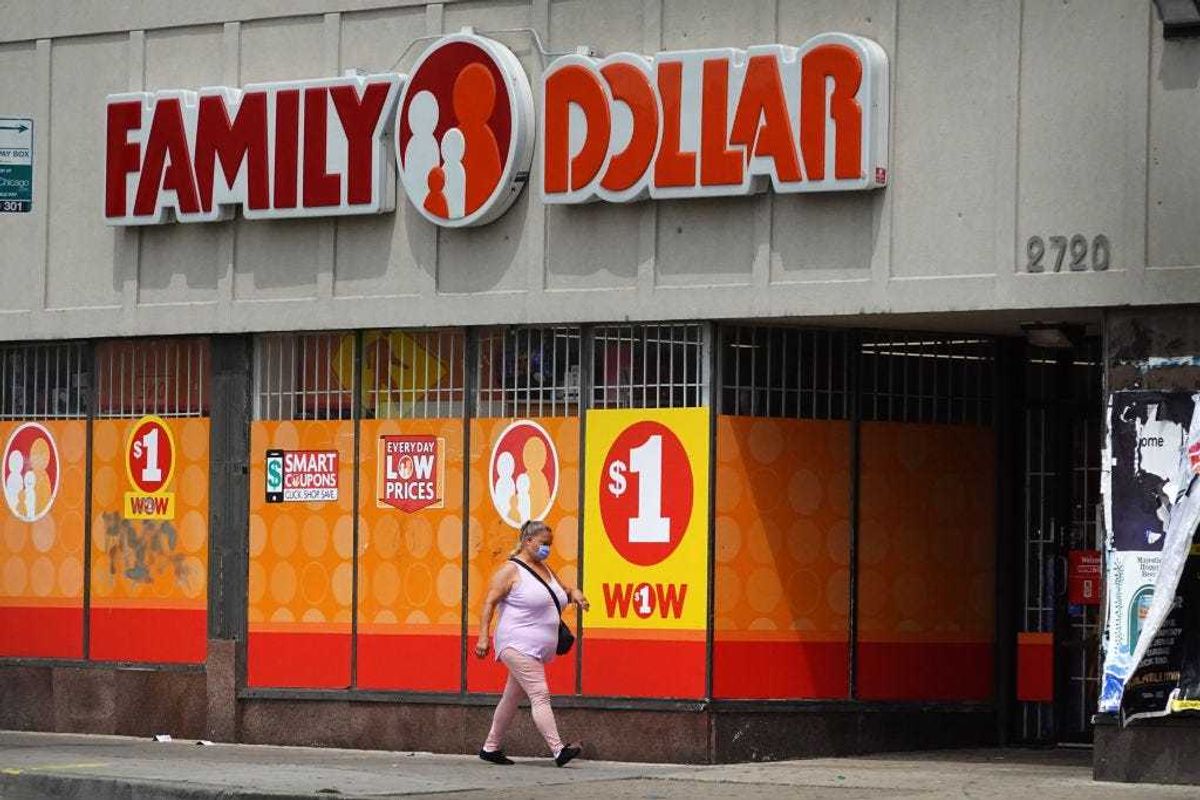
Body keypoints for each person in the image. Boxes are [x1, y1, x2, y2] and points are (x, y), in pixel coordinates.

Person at [475, 520, 589, 767]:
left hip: (535, 648)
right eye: (543, 543)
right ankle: (558, 750)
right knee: (540, 693)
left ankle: (490, 747)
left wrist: (576, 594)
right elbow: (489, 603)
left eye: (550, 544)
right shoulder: (510, 570)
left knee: (511, 697)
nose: (547, 548)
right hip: (516, 644)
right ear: (528, 542)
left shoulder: (545, 569)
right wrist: (483, 636)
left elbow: (564, 591)